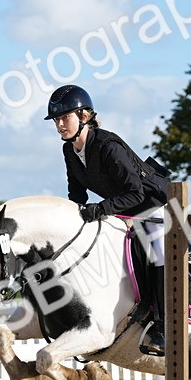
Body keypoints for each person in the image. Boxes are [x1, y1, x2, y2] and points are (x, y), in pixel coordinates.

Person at [46, 84, 171, 355]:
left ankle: (162, 327)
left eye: (64, 118)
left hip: (149, 205)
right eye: (56, 119)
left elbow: (135, 192)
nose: (59, 125)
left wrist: (101, 209)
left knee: (157, 253)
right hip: (120, 209)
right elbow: (76, 194)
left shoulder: (108, 146)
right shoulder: (70, 151)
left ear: (84, 117)